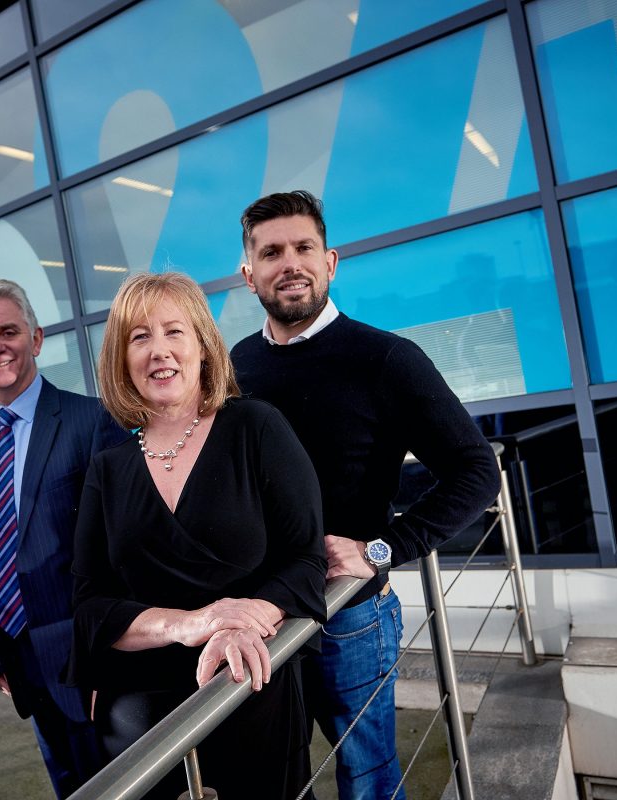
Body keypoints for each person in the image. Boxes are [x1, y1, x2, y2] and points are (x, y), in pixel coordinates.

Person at [230, 191, 501, 800]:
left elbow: (476, 470)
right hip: (265, 617)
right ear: (250, 276)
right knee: (279, 778)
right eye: (271, 253)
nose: (289, 262)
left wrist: (381, 550)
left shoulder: (387, 358)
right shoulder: (234, 367)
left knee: (368, 780)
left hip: (348, 615)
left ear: (331, 262)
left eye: (303, 247)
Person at [68, 272, 327, 800]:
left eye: (173, 332)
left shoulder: (256, 427)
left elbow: (305, 558)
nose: (158, 351)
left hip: (248, 676)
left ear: (204, 347)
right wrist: (191, 624)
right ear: (122, 359)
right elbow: (91, 604)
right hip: (140, 712)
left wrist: (243, 623)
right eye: (139, 337)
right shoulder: (106, 468)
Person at [0, 279, 128, 798]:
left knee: (124, 787)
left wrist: (108, 658)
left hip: (89, 664)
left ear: (37, 338)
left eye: (8, 331)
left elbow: (120, 552)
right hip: (21, 664)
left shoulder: (93, 420)